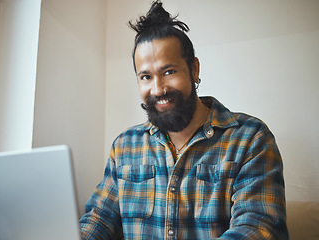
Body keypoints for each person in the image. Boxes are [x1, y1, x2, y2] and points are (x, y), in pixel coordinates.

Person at [80, 1, 288, 239]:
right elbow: (99, 219)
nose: (158, 89)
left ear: (194, 69)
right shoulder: (124, 146)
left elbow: (259, 228)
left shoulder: (251, 139)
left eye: (169, 72)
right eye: (146, 76)